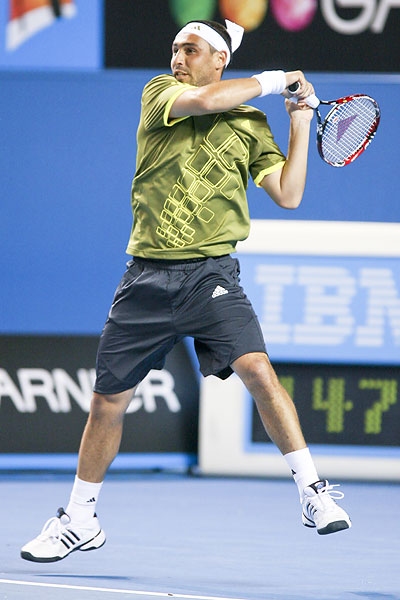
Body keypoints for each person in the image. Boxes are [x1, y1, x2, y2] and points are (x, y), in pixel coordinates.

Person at [21, 19, 351, 563]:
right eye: (175, 47)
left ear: (219, 58)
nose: (178, 57)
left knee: (258, 370)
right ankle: (80, 519)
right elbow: (205, 100)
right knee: (107, 403)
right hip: (145, 279)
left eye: (191, 49)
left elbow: (288, 193)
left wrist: (298, 121)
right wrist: (275, 79)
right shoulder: (162, 93)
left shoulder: (249, 124)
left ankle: (313, 492)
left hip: (210, 278)